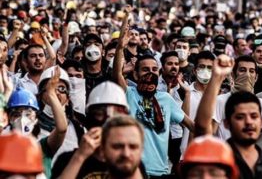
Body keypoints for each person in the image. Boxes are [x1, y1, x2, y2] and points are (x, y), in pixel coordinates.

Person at [113, 14, 194, 177]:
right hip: (133, 171)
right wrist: (120, 47)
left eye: (154, 70)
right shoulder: (130, 93)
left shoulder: (166, 99)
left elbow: (193, 126)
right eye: (145, 70)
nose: (150, 73)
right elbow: (117, 75)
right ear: (135, 75)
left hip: (161, 172)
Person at [195, 54, 262, 179]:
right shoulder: (221, 101)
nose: (248, 122)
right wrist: (216, 78)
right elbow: (205, 132)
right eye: (239, 117)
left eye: (254, 116)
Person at [212, 55, 262, 161]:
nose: (247, 75)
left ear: (256, 77)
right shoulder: (220, 101)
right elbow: (209, 135)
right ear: (233, 74)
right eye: (242, 70)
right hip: (225, 159)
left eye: (252, 71)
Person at [54, 81, 130, 178]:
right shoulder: (67, 160)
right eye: (99, 114)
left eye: (116, 116)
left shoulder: (130, 162)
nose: (107, 123)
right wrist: (80, 156)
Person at [180, 51, 215, 155]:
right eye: (202, 66)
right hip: (187, 152)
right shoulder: (184, 91)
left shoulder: (219, 95)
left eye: (209, 68)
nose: (206, 70)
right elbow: (182, 122)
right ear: (195, 71)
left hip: (212, 152)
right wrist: (187, 94)